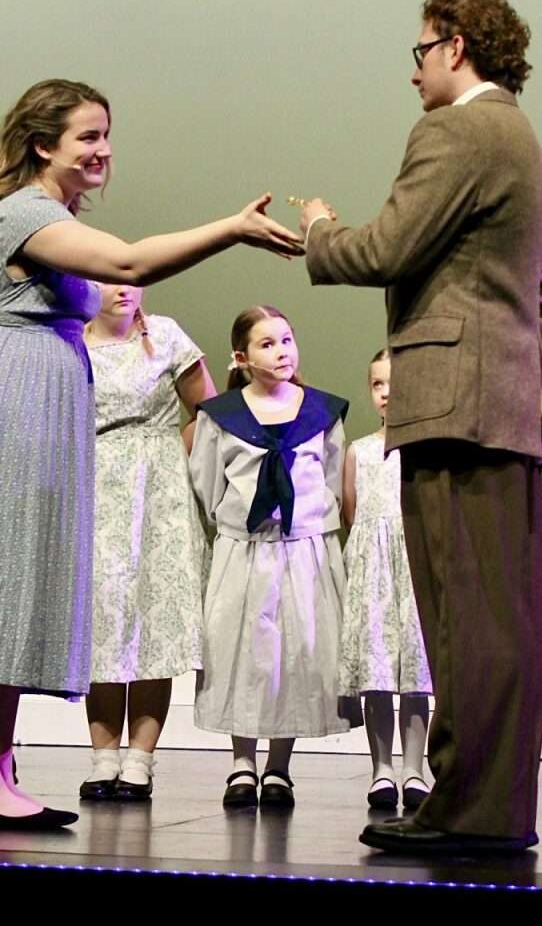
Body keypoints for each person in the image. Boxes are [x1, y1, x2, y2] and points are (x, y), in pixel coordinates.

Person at [0, 78, 302, 831]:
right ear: (42, 144)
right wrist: (232, 228)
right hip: (8, 400)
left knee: (15, 584)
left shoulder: (54, 215)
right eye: (87, 136)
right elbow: (127, 266)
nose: (103, 149)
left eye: (106, 134)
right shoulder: (24, 213)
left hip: (39, 398)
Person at [298, 0, 542, 854]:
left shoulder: (457, 130)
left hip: (456, 404)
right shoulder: (524, 141)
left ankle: (468, 812)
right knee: (498, 618)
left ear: (455, 47)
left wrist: (317, 229)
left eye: (418, 53)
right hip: (500, 405)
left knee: (464, 620)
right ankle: (486, 806)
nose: (413, 73)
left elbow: (387, 247)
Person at [189, 306, 352, 810]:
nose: (281, 351)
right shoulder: (223, 416)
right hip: (247, 551)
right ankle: (242, 762)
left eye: (287, 339)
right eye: (266, 344)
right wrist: (236, 525)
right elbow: (207, 479)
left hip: (303, 551)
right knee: (245, 655)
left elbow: (331, 477)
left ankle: (280, 766)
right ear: (240, 357)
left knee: (298, 654)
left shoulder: (322, 412)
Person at [78, 284, 216, 801]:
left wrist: (166, 456)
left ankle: (141, 758)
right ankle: (102, 756)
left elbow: (210, 411)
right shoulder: (73, 341)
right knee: (104, 622)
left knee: (155, 621)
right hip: (95, 488)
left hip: (157, 491)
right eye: (108, 280)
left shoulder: (165, 335)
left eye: (129, 280)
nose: (122, 291)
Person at [340, 348, 432, 812]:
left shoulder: (429, 451)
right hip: (375, 573)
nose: (387, 392)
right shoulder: (359, 451)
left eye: (396, 382)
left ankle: (415, 767)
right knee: (377, 672)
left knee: (416, 672)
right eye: (378, 384)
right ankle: (381, 768)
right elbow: (352, 513)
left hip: (416, 567)